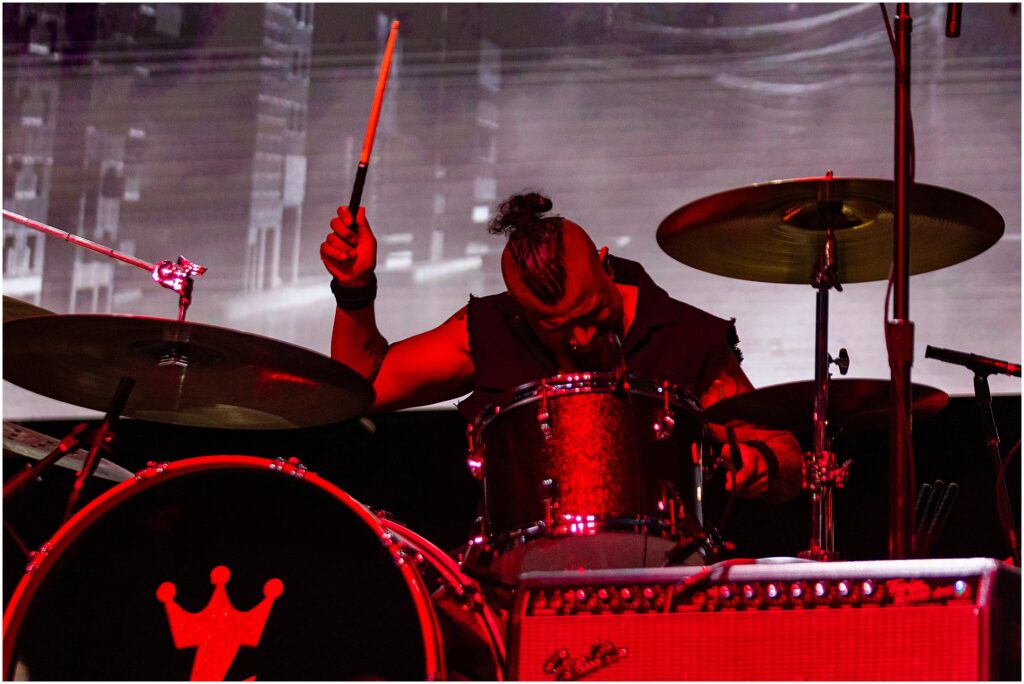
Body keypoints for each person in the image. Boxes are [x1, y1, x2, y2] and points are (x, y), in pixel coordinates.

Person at [321, 192, 802, 505]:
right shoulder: (491, 328)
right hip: (519, 581)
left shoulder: (686, 337)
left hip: (664, 580)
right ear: (521, 312)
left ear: (604, 264)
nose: (585, 339)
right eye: (560, 330)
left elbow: (788, 456)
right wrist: (356, 288)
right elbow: (362, 386)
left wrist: (759, 462)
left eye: (593, 314)